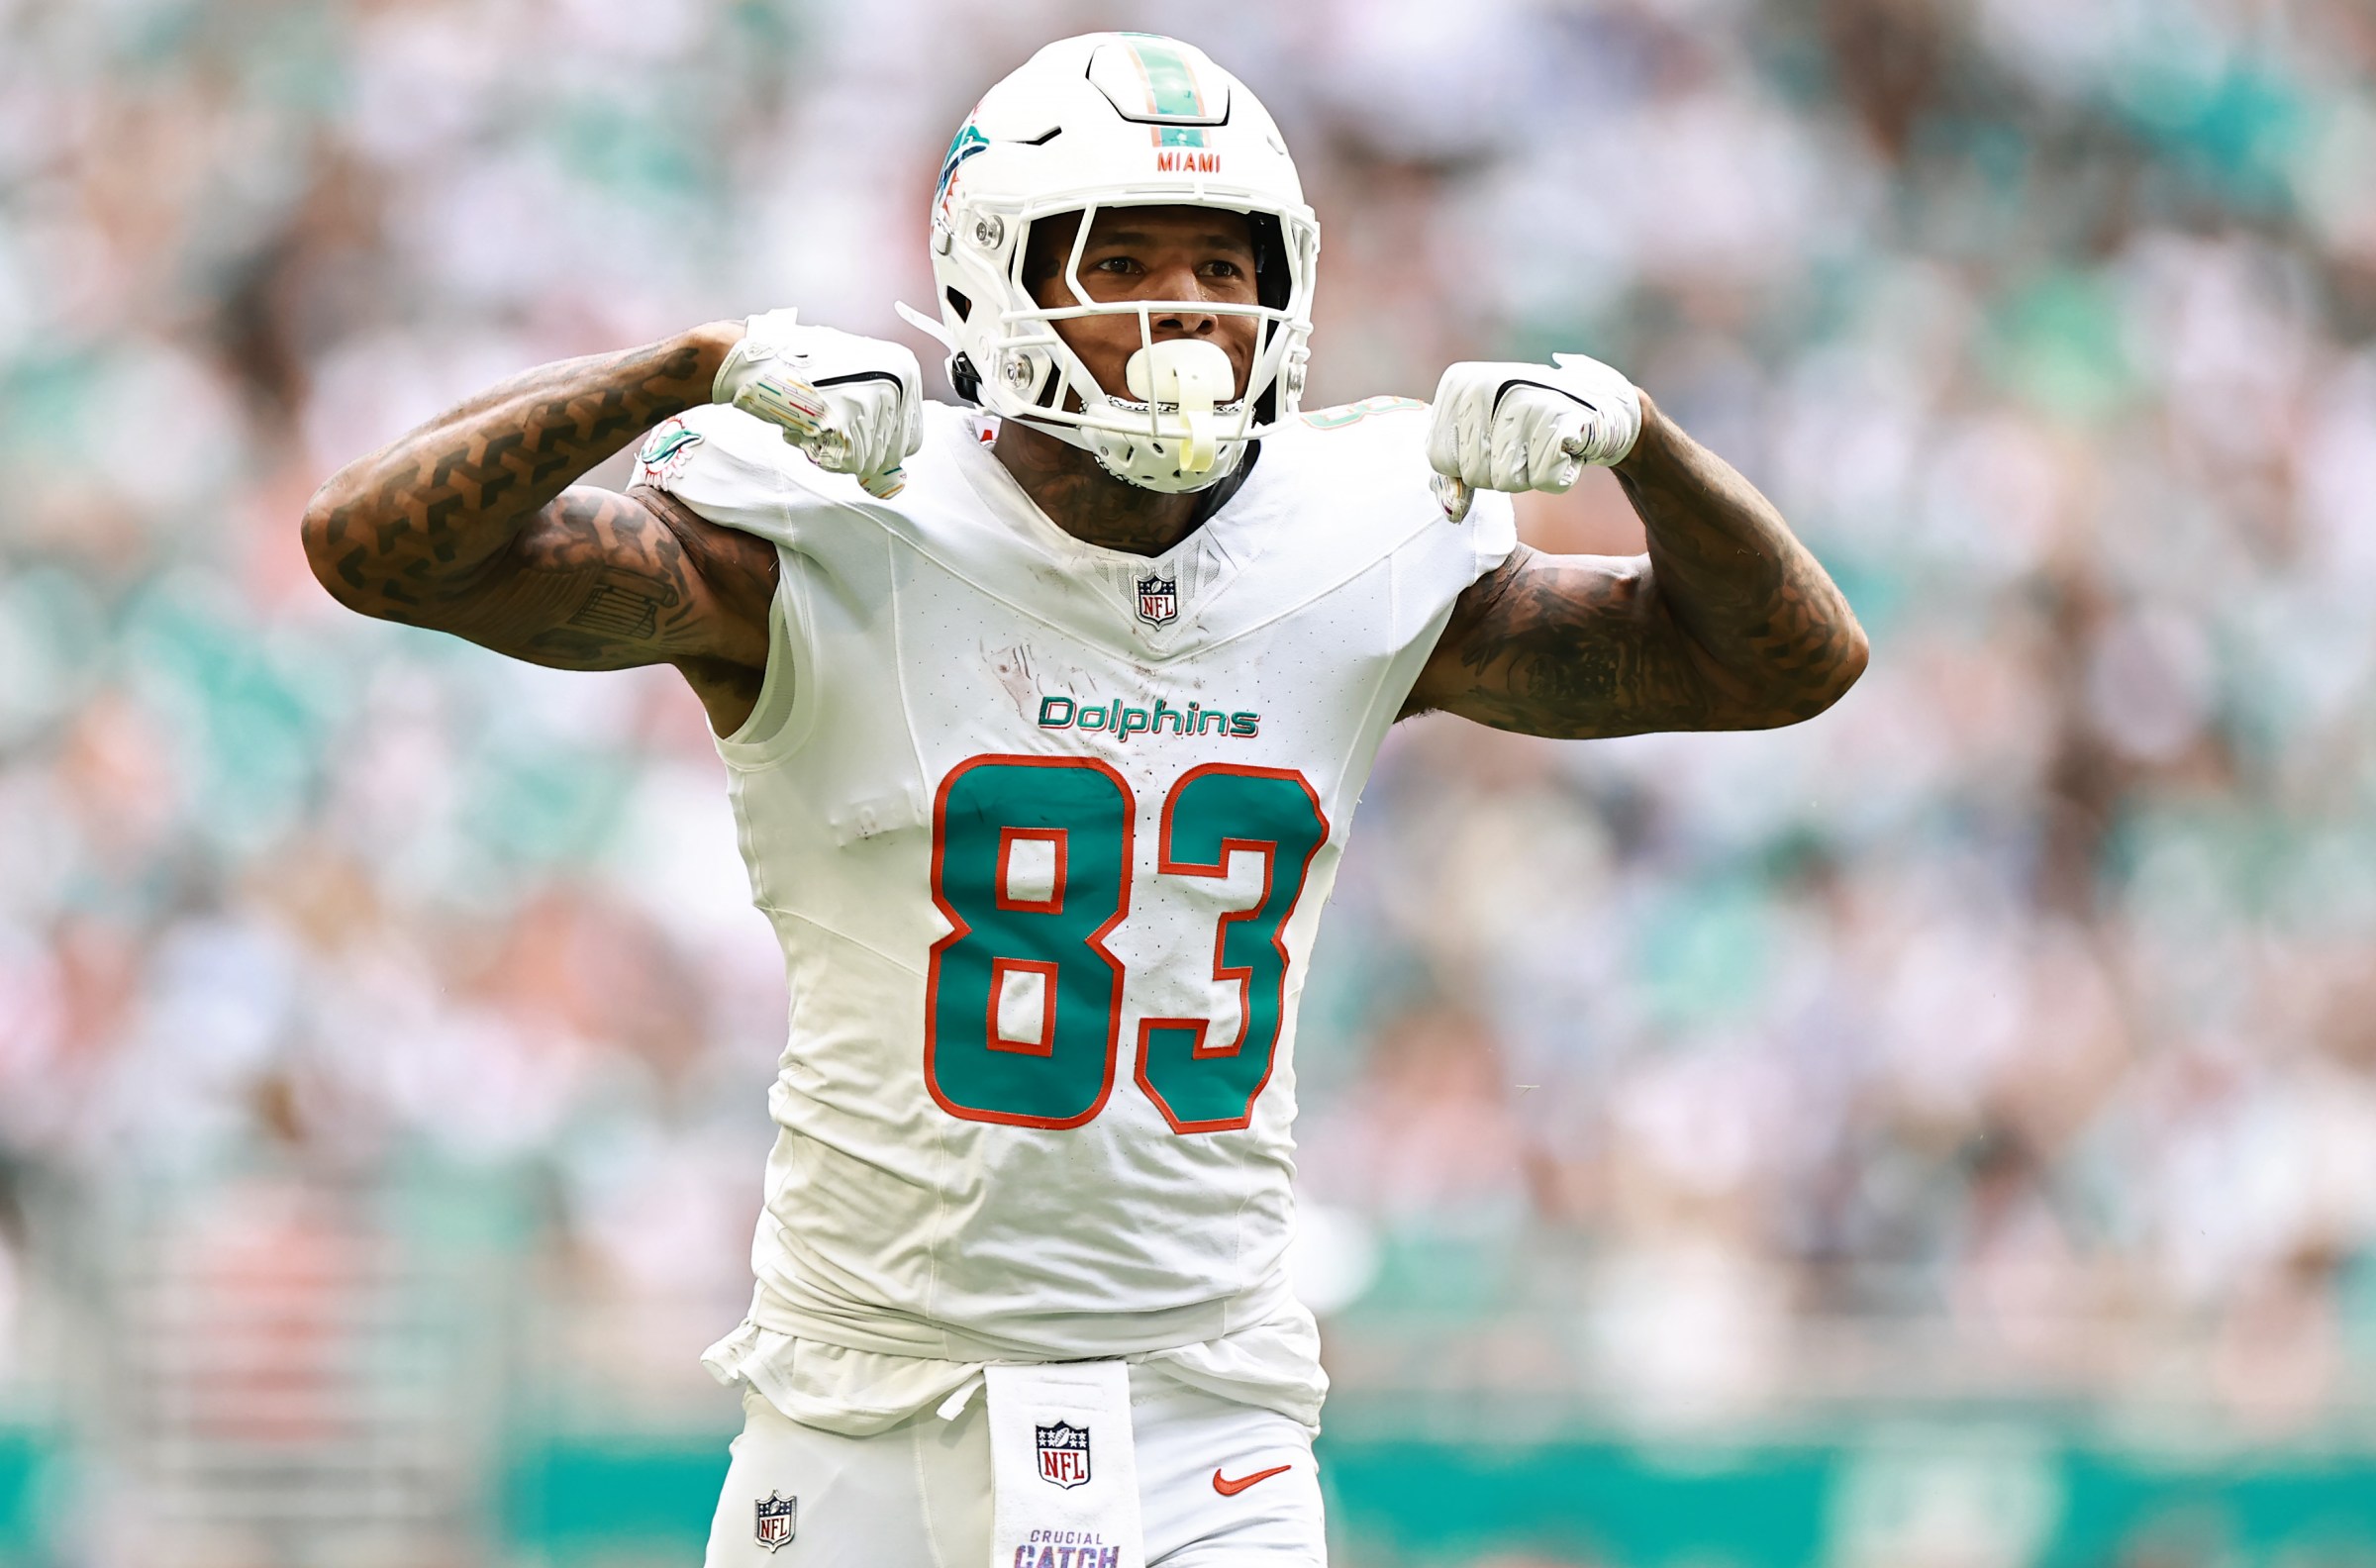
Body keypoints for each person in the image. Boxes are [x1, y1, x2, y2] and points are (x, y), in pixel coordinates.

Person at [300, 32, 1865, 1568]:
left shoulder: (1364, 533)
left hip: (1202, 1400)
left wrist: (1646, 445)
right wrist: (679, 370)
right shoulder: (845, 525)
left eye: (1226, 263)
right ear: (996, 277)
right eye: (1121, 262)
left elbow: (1786, 666)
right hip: (863, 1391)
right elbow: (374, 547)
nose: (1186, 307)